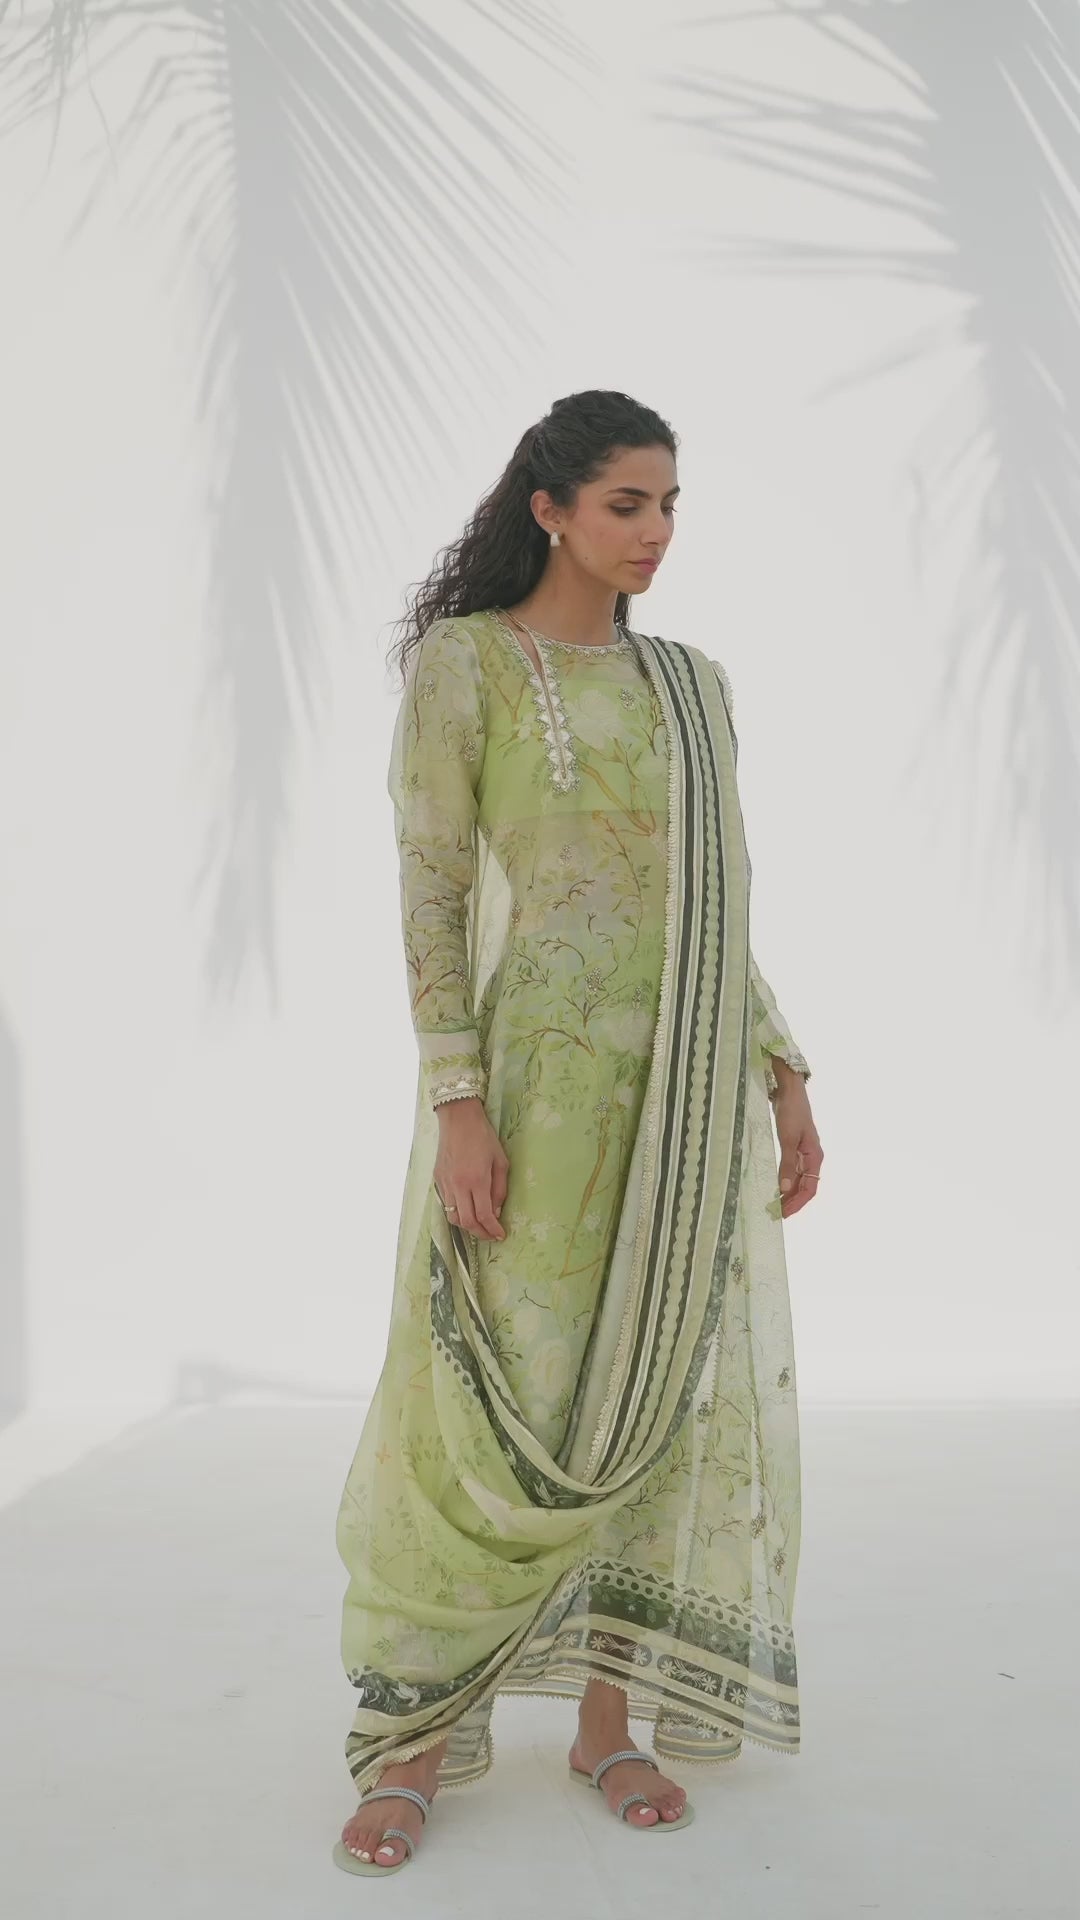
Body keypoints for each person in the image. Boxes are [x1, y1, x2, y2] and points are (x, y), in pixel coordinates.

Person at [333, 389, 823, 1877]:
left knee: (654, 1402)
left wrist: (785, 1071)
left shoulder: (694, 686)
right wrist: (456, 1103)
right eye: (627, 503)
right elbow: (428, 890)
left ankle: (610, 1723)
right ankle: (413, 1739)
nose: (656, 532)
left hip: (685, 1101)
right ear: (549, 508)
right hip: (533, 1099)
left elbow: (717, 907)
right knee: (493, 1399)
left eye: (670, 504)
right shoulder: (468, 665)